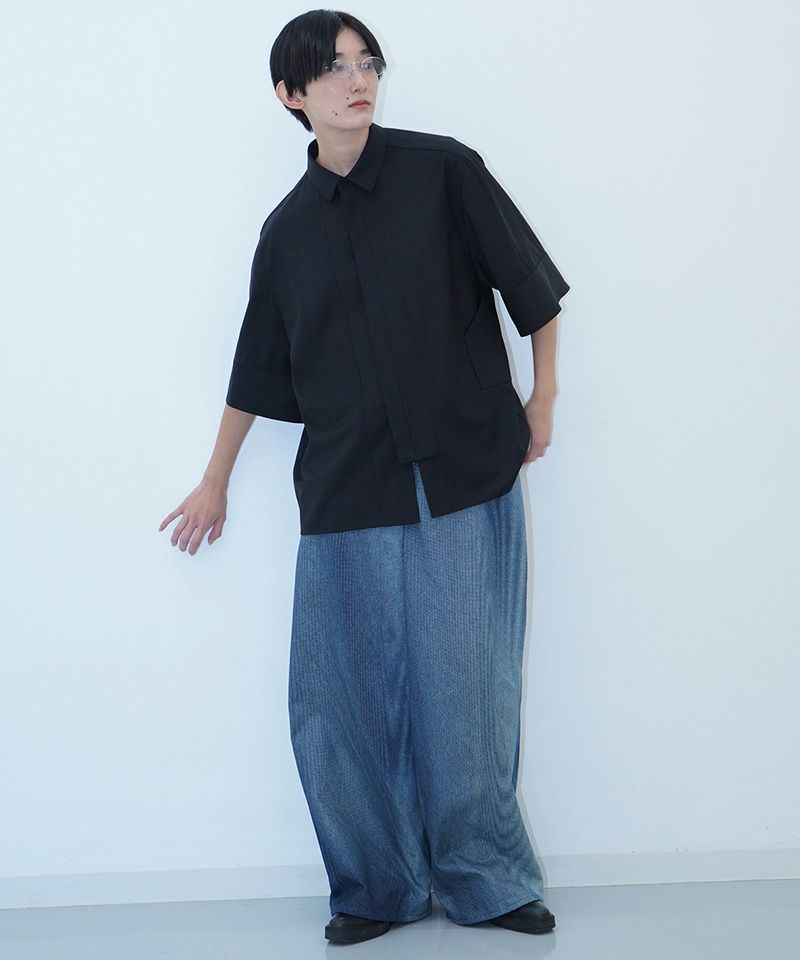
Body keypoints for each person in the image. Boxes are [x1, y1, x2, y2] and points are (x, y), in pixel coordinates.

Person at [160, 8, 569, 946]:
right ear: (290, 95)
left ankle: (488, 881)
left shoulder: (444, 171)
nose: (359, 82)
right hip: (349, 487)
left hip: (464, 469)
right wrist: (215, 480)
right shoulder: (286, 233)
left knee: (468, 690)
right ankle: (375, 889)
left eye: (367, 63)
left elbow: (533, 290)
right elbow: (255, 372)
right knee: (341, 701)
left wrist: (542, 399)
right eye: (335, 69)